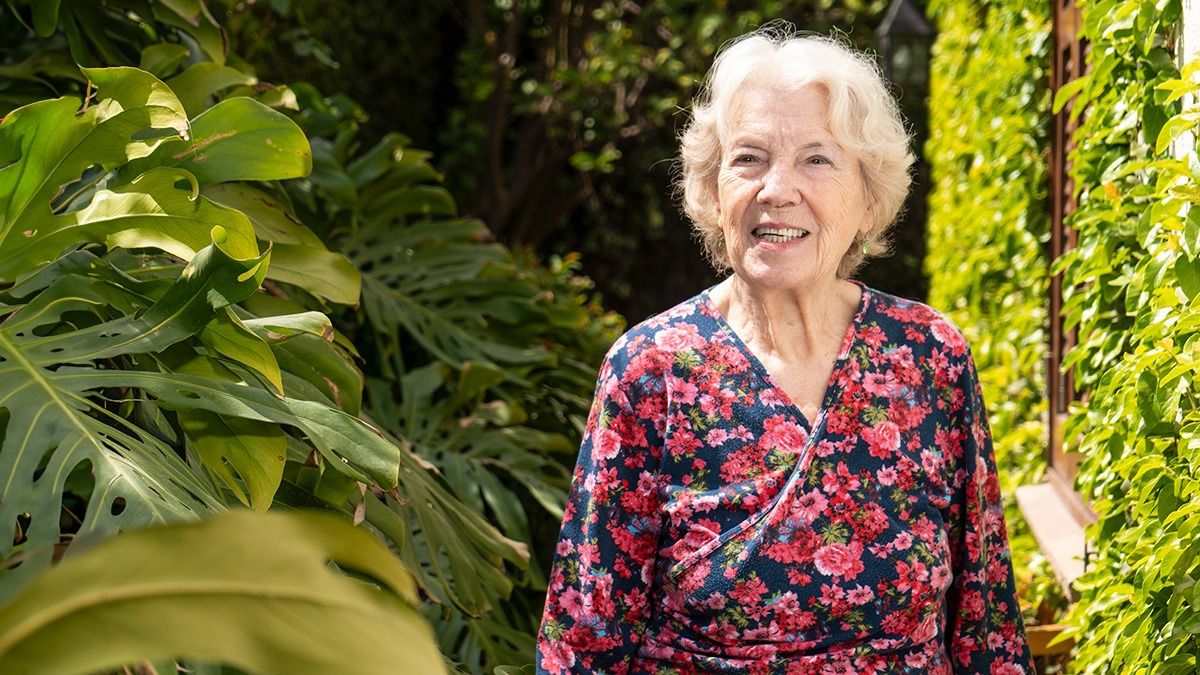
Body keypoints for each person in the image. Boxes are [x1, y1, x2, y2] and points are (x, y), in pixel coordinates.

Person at [536, 25, 1034, 674]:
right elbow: (582, 642)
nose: (777, 189)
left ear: (868, 198)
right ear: (713, 192)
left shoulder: (928, 355)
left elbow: (985, 625)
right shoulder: (650, 370)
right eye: (749, 158)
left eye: (816, 159)